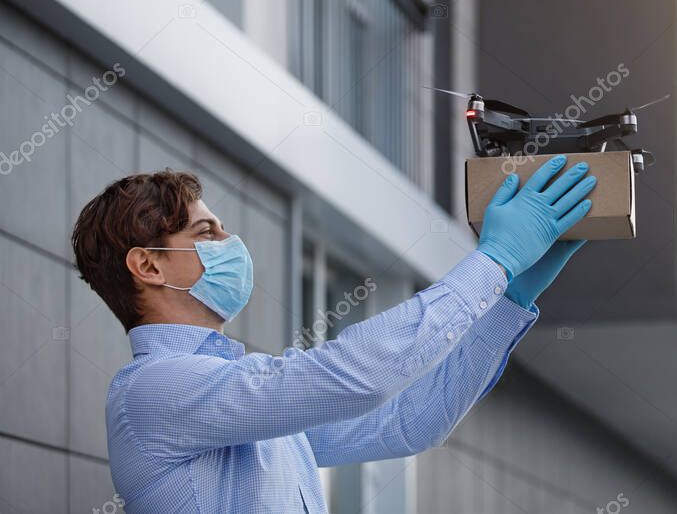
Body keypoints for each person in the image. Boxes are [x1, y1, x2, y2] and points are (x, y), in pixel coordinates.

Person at [71, 155, 596, 513]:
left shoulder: (238, 398)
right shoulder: (152, 391)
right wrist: (492, 262)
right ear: (149, 266)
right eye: (206, 232)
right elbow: (351, 378)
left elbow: (409, 422)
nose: (232, 242)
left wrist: (508, 298)